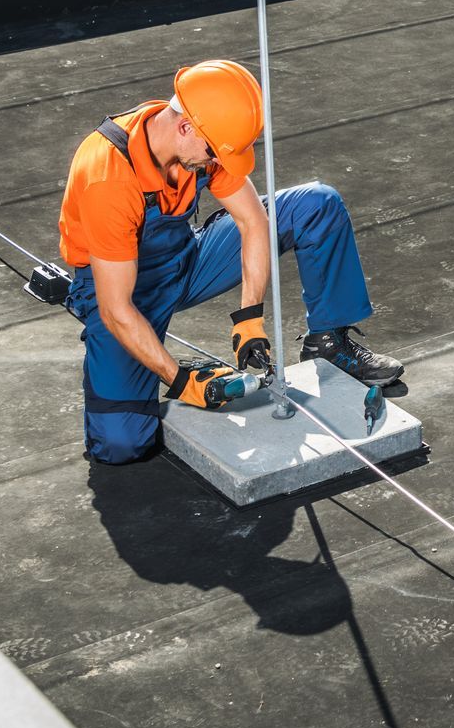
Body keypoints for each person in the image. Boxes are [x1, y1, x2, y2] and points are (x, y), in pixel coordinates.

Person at [57, 59, 401, 463]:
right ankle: (164, 362)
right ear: (186, 127)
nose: (213, 162)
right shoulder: (108, 179)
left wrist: (249, 316)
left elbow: (254, 222)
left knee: (316, 205)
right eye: (212, 154)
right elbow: (117, 309)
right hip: (120, 291)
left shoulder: (203, 137)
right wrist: (182, 382)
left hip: (184, 260)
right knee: (121, 444)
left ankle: (328, 341)